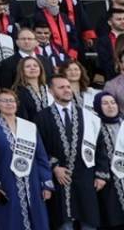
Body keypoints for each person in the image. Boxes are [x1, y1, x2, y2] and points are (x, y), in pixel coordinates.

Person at [37, 74, 100, 230]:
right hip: (60, 179)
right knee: (65, 224)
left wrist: (101, 174)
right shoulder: (42, 117)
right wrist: (55, 167)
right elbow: (40, 148)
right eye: (61, 87)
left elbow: (100, 145)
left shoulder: (87, 115)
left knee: (89, 223)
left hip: (85, 176)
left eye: (68, 86)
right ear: (51, 91)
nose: (66, 90)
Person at [0, 88, 53, 230]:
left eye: (12, 101)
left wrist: (46, 183)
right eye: (4, 101)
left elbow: (40, 157)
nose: (9, 104)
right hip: (6, 182)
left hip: (32, 183)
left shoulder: (29, 127)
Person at [92, 92, 124, 228]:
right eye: (105, 103)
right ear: (97, 107)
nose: (110, 106)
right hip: (109, 180)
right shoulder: (93, 126)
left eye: (113, 102)